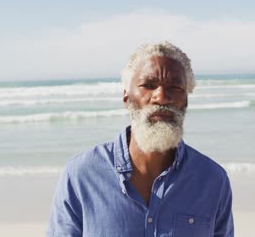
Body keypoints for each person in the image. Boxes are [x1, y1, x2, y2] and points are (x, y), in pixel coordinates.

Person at [47, 41, 234, 236]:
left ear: (185, 100)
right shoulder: (80, 175)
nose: (161, 96)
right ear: (126, 97)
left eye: (175, 87)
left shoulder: (212, 180)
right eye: (148, 85)